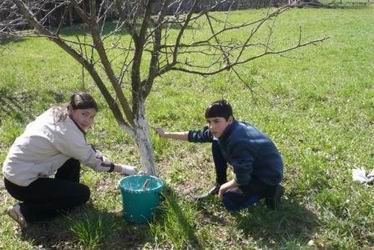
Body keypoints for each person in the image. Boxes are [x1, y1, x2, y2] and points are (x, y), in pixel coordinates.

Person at [2, 92, 137, 228]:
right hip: (21, 184)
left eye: (92, 116)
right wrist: (123, 169)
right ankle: (25, 212)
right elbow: (94, 160)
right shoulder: (67, 133)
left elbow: (82, 150)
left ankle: (66, 195)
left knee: (72, 159)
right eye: (84, 114)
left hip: (15, 173)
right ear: (72, 109)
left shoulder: (55, 112)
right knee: (83, 194)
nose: (88, 121)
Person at [156, 99, 284, 212]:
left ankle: (272, 191)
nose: (211, 126)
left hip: (266, 176)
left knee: (229, 201)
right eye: (209, 122)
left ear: (229, 119)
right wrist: (166, 134)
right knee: (217, 143)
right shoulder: (224, 129)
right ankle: (220, 182)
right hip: (251, 168)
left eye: (216, 121)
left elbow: (243, 178)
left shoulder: (238, 141)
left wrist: (223, 189)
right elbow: (194, 136)